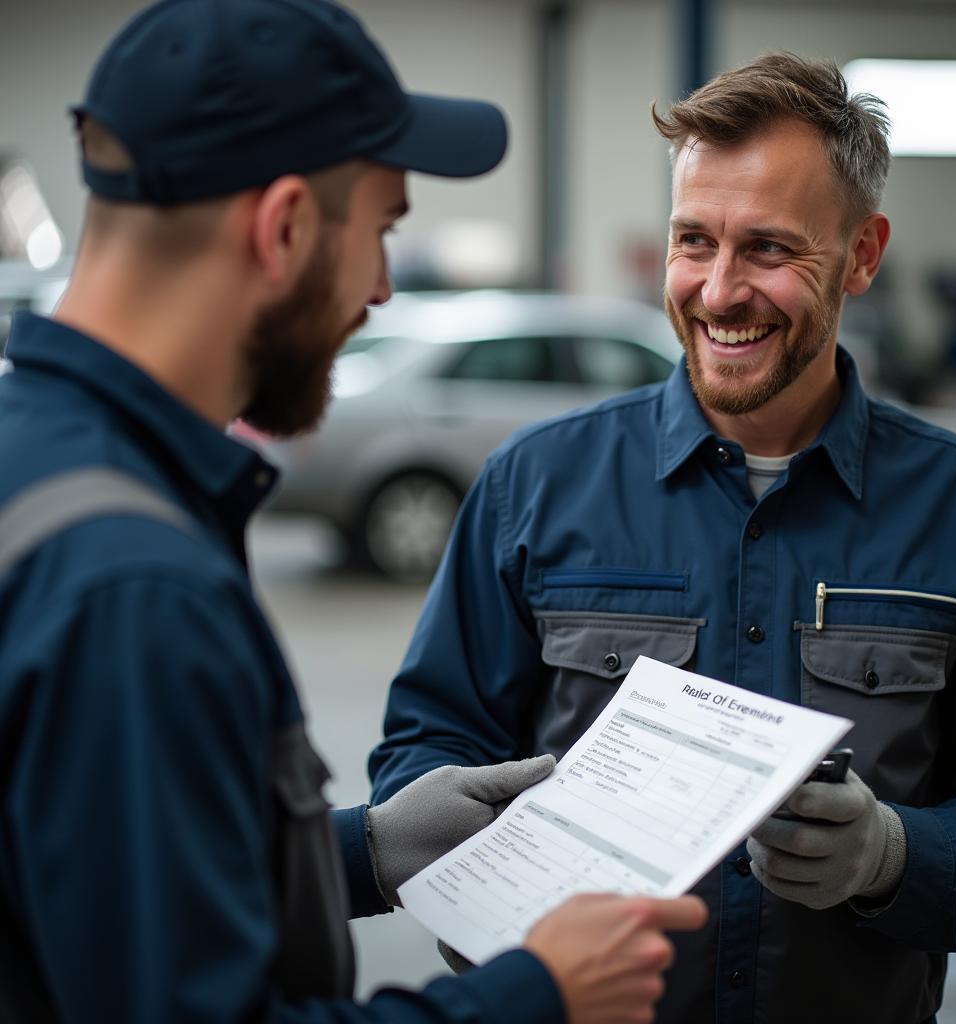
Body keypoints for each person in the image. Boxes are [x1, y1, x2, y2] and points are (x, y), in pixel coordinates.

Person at [0, 1, 709, 1021]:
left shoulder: (38, 460)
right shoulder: (133, 584)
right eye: (379, 230)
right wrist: (539, 995)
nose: (380, 288)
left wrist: (363, 850)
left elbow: (100, 896)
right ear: (284, 226)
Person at [370, 53, 956, 1024]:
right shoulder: (534, 484)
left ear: (863, 252)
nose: (717, 291)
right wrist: (475, 848)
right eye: (693, 240)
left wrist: (894, 855)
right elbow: (428, 743)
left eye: (767, 248)